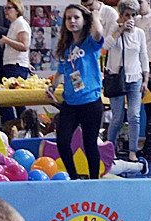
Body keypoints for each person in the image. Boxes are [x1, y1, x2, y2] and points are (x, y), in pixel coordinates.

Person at [47, 3, 104, 179]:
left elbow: (98, 32)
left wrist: (94, 16)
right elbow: (61, 71)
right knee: (62, 142)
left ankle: (94, 181)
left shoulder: (90, 42)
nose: (72, 21)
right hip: (70, 103)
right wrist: (52, 87)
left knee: (90, 145)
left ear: (84, 20)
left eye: (76, 17)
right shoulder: (65, 47)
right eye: (68, 18)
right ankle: (74, 177)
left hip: (90, 101)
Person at [104, 0, 149, 162]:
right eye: (127, 15)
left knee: (134, 116)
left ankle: (133, 151)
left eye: (133, 15)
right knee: (117, 117)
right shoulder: (114, 29)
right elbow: (106, 46)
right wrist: (121, 29)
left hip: (135, 78)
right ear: (121, 16)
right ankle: (110, 149)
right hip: (117, 77)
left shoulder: (139, 33)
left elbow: (143, 55)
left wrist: (145, 79)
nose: (130, 18)